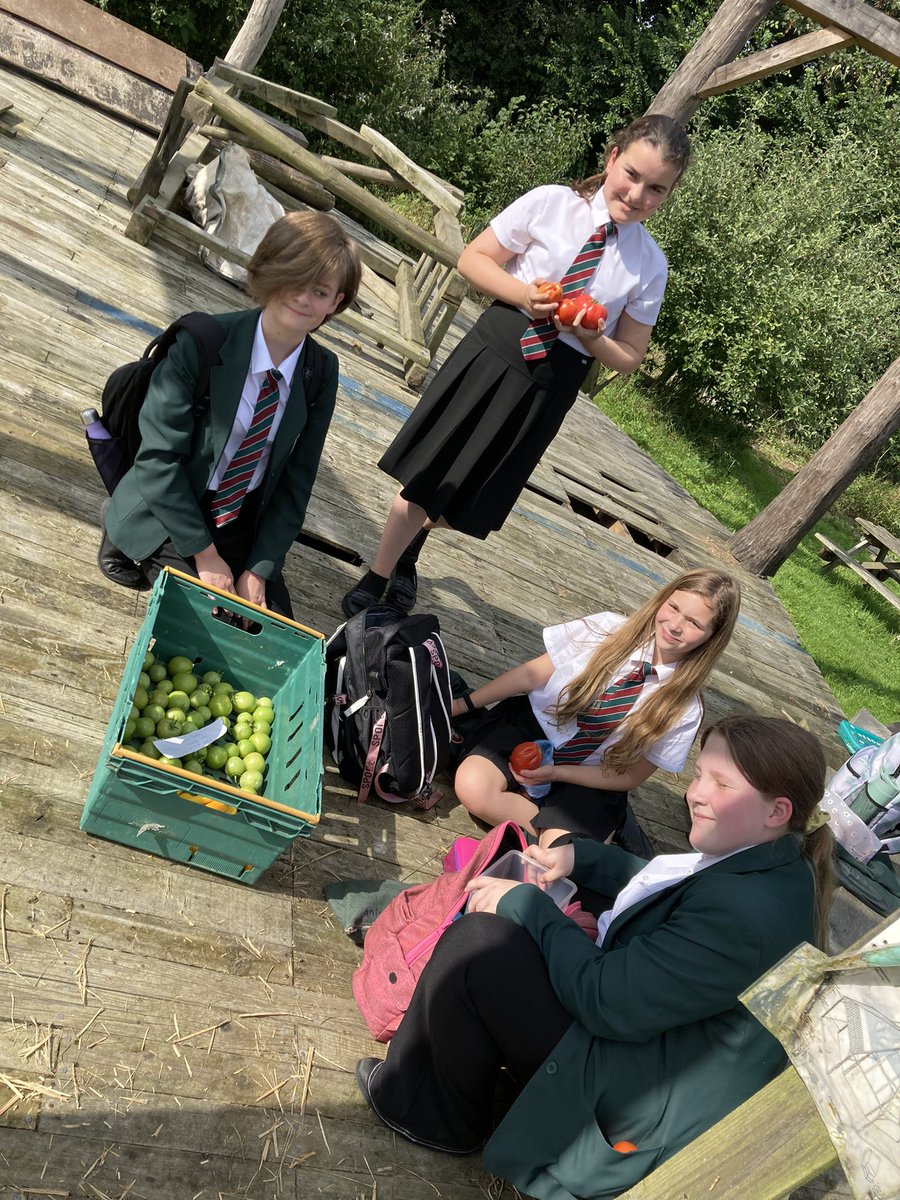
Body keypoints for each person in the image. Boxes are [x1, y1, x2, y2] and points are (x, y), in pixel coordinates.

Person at [354, 715, 836, 1199]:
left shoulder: (745, 916)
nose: (696, 794)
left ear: (777, 811)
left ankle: (426, 1114)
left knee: (480, 946)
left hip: (628, 1108)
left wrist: (528, 907)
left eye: (722, 784)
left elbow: (607, 1002)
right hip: (648, 1049)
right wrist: (581, 858)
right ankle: (475, 1075)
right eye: (699, 775)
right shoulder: (771, 860)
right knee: (550, 909)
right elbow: (667, 883)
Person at [341, 114, 690, 619]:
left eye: (656, 188)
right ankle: (376, 576)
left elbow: (630, 357)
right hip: (497, 352)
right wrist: (525, 294)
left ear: (667, 194)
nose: (637, 195)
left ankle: (411, 549)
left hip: (552, 383)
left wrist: (593, 336)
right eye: (632, 175)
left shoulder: (649, 264)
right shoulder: (552, 203)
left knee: (474, 494)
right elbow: (474, 259)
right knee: (426, 475)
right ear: (613, 159)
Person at [99, 210, 361, 617]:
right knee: (208, 618)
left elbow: (298, 482)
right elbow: (158, 461)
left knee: (268, 630)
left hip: (240, 514)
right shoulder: (202, 341)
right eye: (293, 278)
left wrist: (260, 568)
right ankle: (122, 526)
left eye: (320, 291)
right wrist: (205, 556)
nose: (302, 298)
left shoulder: (321, 372)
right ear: (270, 268)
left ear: (336, 302)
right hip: (174, 500)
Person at [451, 568, 740, 848]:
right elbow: (530, 674)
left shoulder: (686, 707)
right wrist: (463, 704)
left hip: (589, 772)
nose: (675, 625)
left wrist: (557, 774)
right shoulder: (607, 629)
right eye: (673, 607)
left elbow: (631, 776)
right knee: (473, 789)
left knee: (561, 847)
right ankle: (573, 836)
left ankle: (570, 838)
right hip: (531, 725)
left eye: (694, 623)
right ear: (662, 599)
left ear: (712, 637)